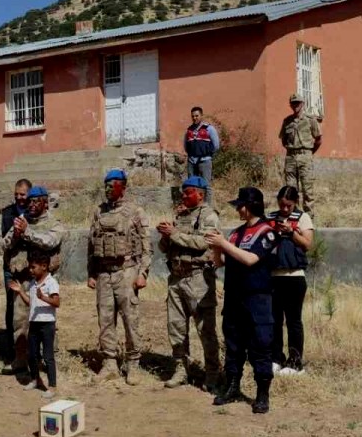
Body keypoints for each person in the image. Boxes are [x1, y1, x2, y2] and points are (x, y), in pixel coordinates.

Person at [206, 187, 278, 414]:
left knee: (260, 345)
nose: (238, 209)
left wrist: (224, 244)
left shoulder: (267, 232)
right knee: (233, 345)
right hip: (234, 297)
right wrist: (217, 248)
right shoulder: (236, 233)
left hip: (257, 298)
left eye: (240, 205)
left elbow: (250, 259)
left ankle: (262, 394)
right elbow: (221, 262)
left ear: (250, 206)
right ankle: (232, 386)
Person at [86, 170, 152, 385]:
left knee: (130, 319)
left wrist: (142, 274)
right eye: (105, 185)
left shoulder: (135, 212)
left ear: (123, 187)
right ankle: (110, 363)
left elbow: (146, 248)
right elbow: (91, 244)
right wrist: (91, 273)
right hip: (104, 273)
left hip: (127, 271)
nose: (107, 189)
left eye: (111, 185)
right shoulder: (98, 212)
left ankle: (133, 363)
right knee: (105, 320)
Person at [157, 176, 222, 392]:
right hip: (176, 278)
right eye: (183, 192)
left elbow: (203, 243)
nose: (183, 196)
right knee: (175, 327)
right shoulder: (180, 216)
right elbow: (165, 248)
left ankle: (213, 373)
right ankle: (181, 370)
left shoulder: (209, 216)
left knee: (205, 330)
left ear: (200, 194)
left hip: (198, 279)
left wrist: (174, 234)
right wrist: (165, 235)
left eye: (188, 192)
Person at [2, 186, 65, 376]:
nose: (31, 205)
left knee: (44, 322)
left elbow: (49, 242)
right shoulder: (21, 222)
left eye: (35, 201)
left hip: (43, 282)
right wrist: (16, 235)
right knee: (19, 320)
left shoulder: (55, 223)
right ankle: (21, 358)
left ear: (45, 202)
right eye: (29, 201)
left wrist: (27, 232)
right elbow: (4, 244)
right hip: (23, 279)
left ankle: (47, 359)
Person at [269, 185, 314, 376]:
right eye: (282, 205)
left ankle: (295, 362)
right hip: (273, 277)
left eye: (288, 206)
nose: (285, 209)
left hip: (294, 277)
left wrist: (291, 232)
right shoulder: (271, 217)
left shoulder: (302, 217)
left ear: (294, 203)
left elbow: (307, 244)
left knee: (293, 321)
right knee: (274, 320)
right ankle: (276, 357)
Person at [9, 252, 60, 399]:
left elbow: (57, 302)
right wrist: (20, 292)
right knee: (32, 354)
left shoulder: (51, 282)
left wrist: (43, 297)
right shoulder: (33, 283)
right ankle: (35, 379)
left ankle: (52, 386)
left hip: (47, 324)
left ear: (44, 267)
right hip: (34, 323)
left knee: (48, 356)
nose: (30, 270)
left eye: (33, 267)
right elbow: (31, 303)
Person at [1, 179, 32, 350]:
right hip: (11, 266)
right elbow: (5, 237)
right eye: (16, 194)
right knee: (11, 304)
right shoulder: (7, 212)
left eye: (23, 194)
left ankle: (31, 344)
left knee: (31, 302)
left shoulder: (33, 212)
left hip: (30, 266)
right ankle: (12, 346)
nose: (19, 197)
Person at [280, 93, 322, 213]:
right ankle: (294, 214)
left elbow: (319, 139)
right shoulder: (287, 121)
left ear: (303, 104)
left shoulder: (310, 120)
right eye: (293, 103)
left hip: (305, 156)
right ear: (290, 105)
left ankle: (309, 217)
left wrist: (309, 152)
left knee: (307, 188)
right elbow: (284, 140)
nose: (295, 105)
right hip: (290, 157)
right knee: (290, 189)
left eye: (297, 103)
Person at [184, 106, 220, 201]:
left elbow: (216, 145)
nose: (195, 118)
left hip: (205, 161)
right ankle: (194, 205)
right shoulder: (189, 130)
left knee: (206, 185)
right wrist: (192, 155)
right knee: (192, 184)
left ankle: (207, 207)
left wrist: (206, 154)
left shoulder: (209, 128)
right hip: (192, 161)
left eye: (197, 115)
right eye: (193, 116)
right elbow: (185, 145)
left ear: (201, 116)